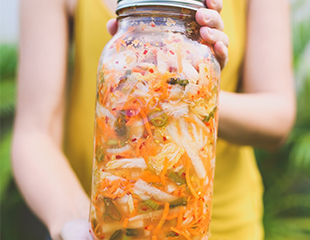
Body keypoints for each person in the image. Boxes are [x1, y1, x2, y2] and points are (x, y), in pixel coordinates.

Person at [12, 0, 295, 239]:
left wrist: (195, 90)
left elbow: (277, 117)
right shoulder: (116, 44)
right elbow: (35, 132)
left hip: (214, 225)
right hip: (113, 221)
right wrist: (75, 223)